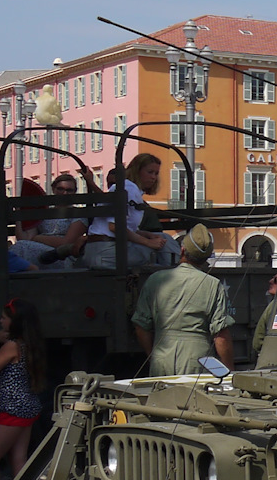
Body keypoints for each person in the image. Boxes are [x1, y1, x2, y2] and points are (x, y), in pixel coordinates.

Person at [131, 224, 235, 377]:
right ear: (206, 258)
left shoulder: (155, 280)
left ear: (182, 250)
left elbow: (141, 326)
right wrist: (229, 370)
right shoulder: (213, 285)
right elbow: (220, 335)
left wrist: (152, 355)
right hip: (199, 359)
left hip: (162, 357)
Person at [0, 298, 45, 480]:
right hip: (27, 407)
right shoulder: (28, 344)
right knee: (19, 460)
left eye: (4, 318)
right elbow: (11, 372)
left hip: (12, 409)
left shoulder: (11, 346)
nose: (0, 321)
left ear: (15, 322)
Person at [84, 154, 177, 269]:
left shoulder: (127, 188)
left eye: (156, 173)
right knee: (159, 247)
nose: (153, 177)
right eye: (150, 172)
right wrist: (148, 242)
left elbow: (123, 227)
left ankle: (173, 272)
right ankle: (176, 274)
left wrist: (147, 235)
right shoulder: (129, 189)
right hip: (108, 252)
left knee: (162, 238)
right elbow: (115, 227)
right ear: (137, 171)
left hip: (99, 251)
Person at [12, 172, 88, 266]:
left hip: (61, 255)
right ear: (53, 189)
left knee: (21, 248)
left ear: (74, 192)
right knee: (19, 247)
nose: (64, 193)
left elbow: (66, 242)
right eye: (60, 189)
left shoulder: (78, 214)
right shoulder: (44, 212)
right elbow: (24, 238)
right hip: (38, 251)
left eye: (69, 190)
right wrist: (19, 214)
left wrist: (37, 238)